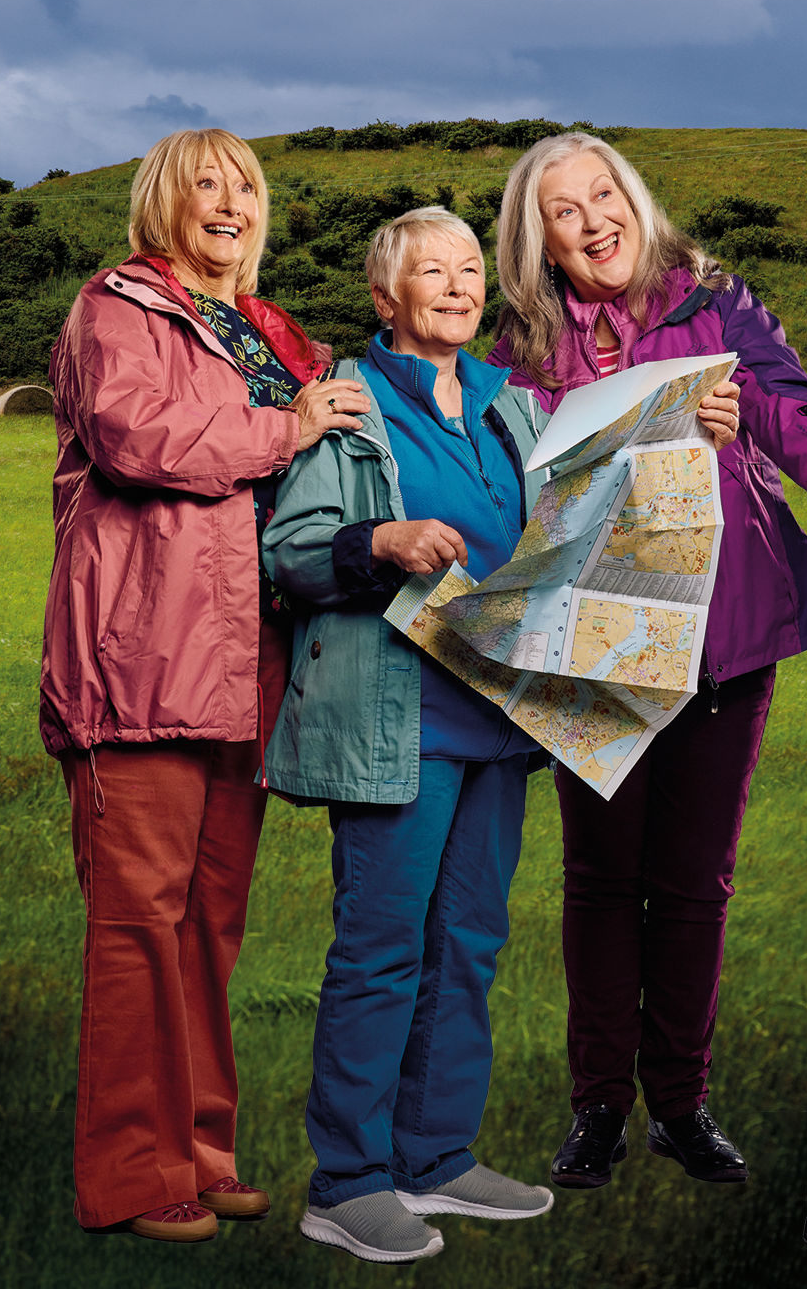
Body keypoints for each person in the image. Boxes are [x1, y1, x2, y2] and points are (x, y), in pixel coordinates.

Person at [487, 132, 807, 1191]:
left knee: (692, 885)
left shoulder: (716, 304)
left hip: (725, 625)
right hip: (597, 641)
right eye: (563, 212)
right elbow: (516, 478)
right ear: (537, 241)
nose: (593, 221)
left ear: (633, 198)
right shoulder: (523, 344)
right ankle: (598, 1109)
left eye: (602, 195)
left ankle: (680, 1105)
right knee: (599, 879)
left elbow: (786, 403)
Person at [40, 128, 371, 1242]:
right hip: (141, 658)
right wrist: (288, 426)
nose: (228, 203)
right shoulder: (118, 310)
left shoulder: (278, 334)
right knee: (139, 921)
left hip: (251, 664)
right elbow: (142, 439)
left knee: (208, 924)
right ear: (162, 204)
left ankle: (200, 1146)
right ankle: (132, 1176)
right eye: (205, 186)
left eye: (246, 187)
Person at [262, 207, 555, 1266]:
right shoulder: (351, 404)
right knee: (382, 950)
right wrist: (377, 540)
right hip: (401, 719)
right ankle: (347, 1183)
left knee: (469, 945)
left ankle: (436, 1157)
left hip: (503, 718)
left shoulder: (510, 406)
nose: (456, 283)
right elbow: (289, 551)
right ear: (385, 298)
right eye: (429, 270)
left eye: (469, 267)